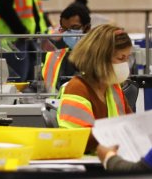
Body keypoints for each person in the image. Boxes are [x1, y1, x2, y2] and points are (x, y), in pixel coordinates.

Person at [56, 24, 132, 152]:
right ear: (100, 59)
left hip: (111, 159)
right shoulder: (77, 89)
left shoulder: (113, 87)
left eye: (127, 58)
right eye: (121, 58)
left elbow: (130, 123)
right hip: (90, 165)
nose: (125, 64)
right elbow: (80, 139)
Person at [41, 1, 91, 93]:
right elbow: (43, 86)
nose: (68, 33)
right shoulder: (53, 57)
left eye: (74, 27)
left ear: (87, 28)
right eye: (65, 29)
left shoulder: (100, 55)